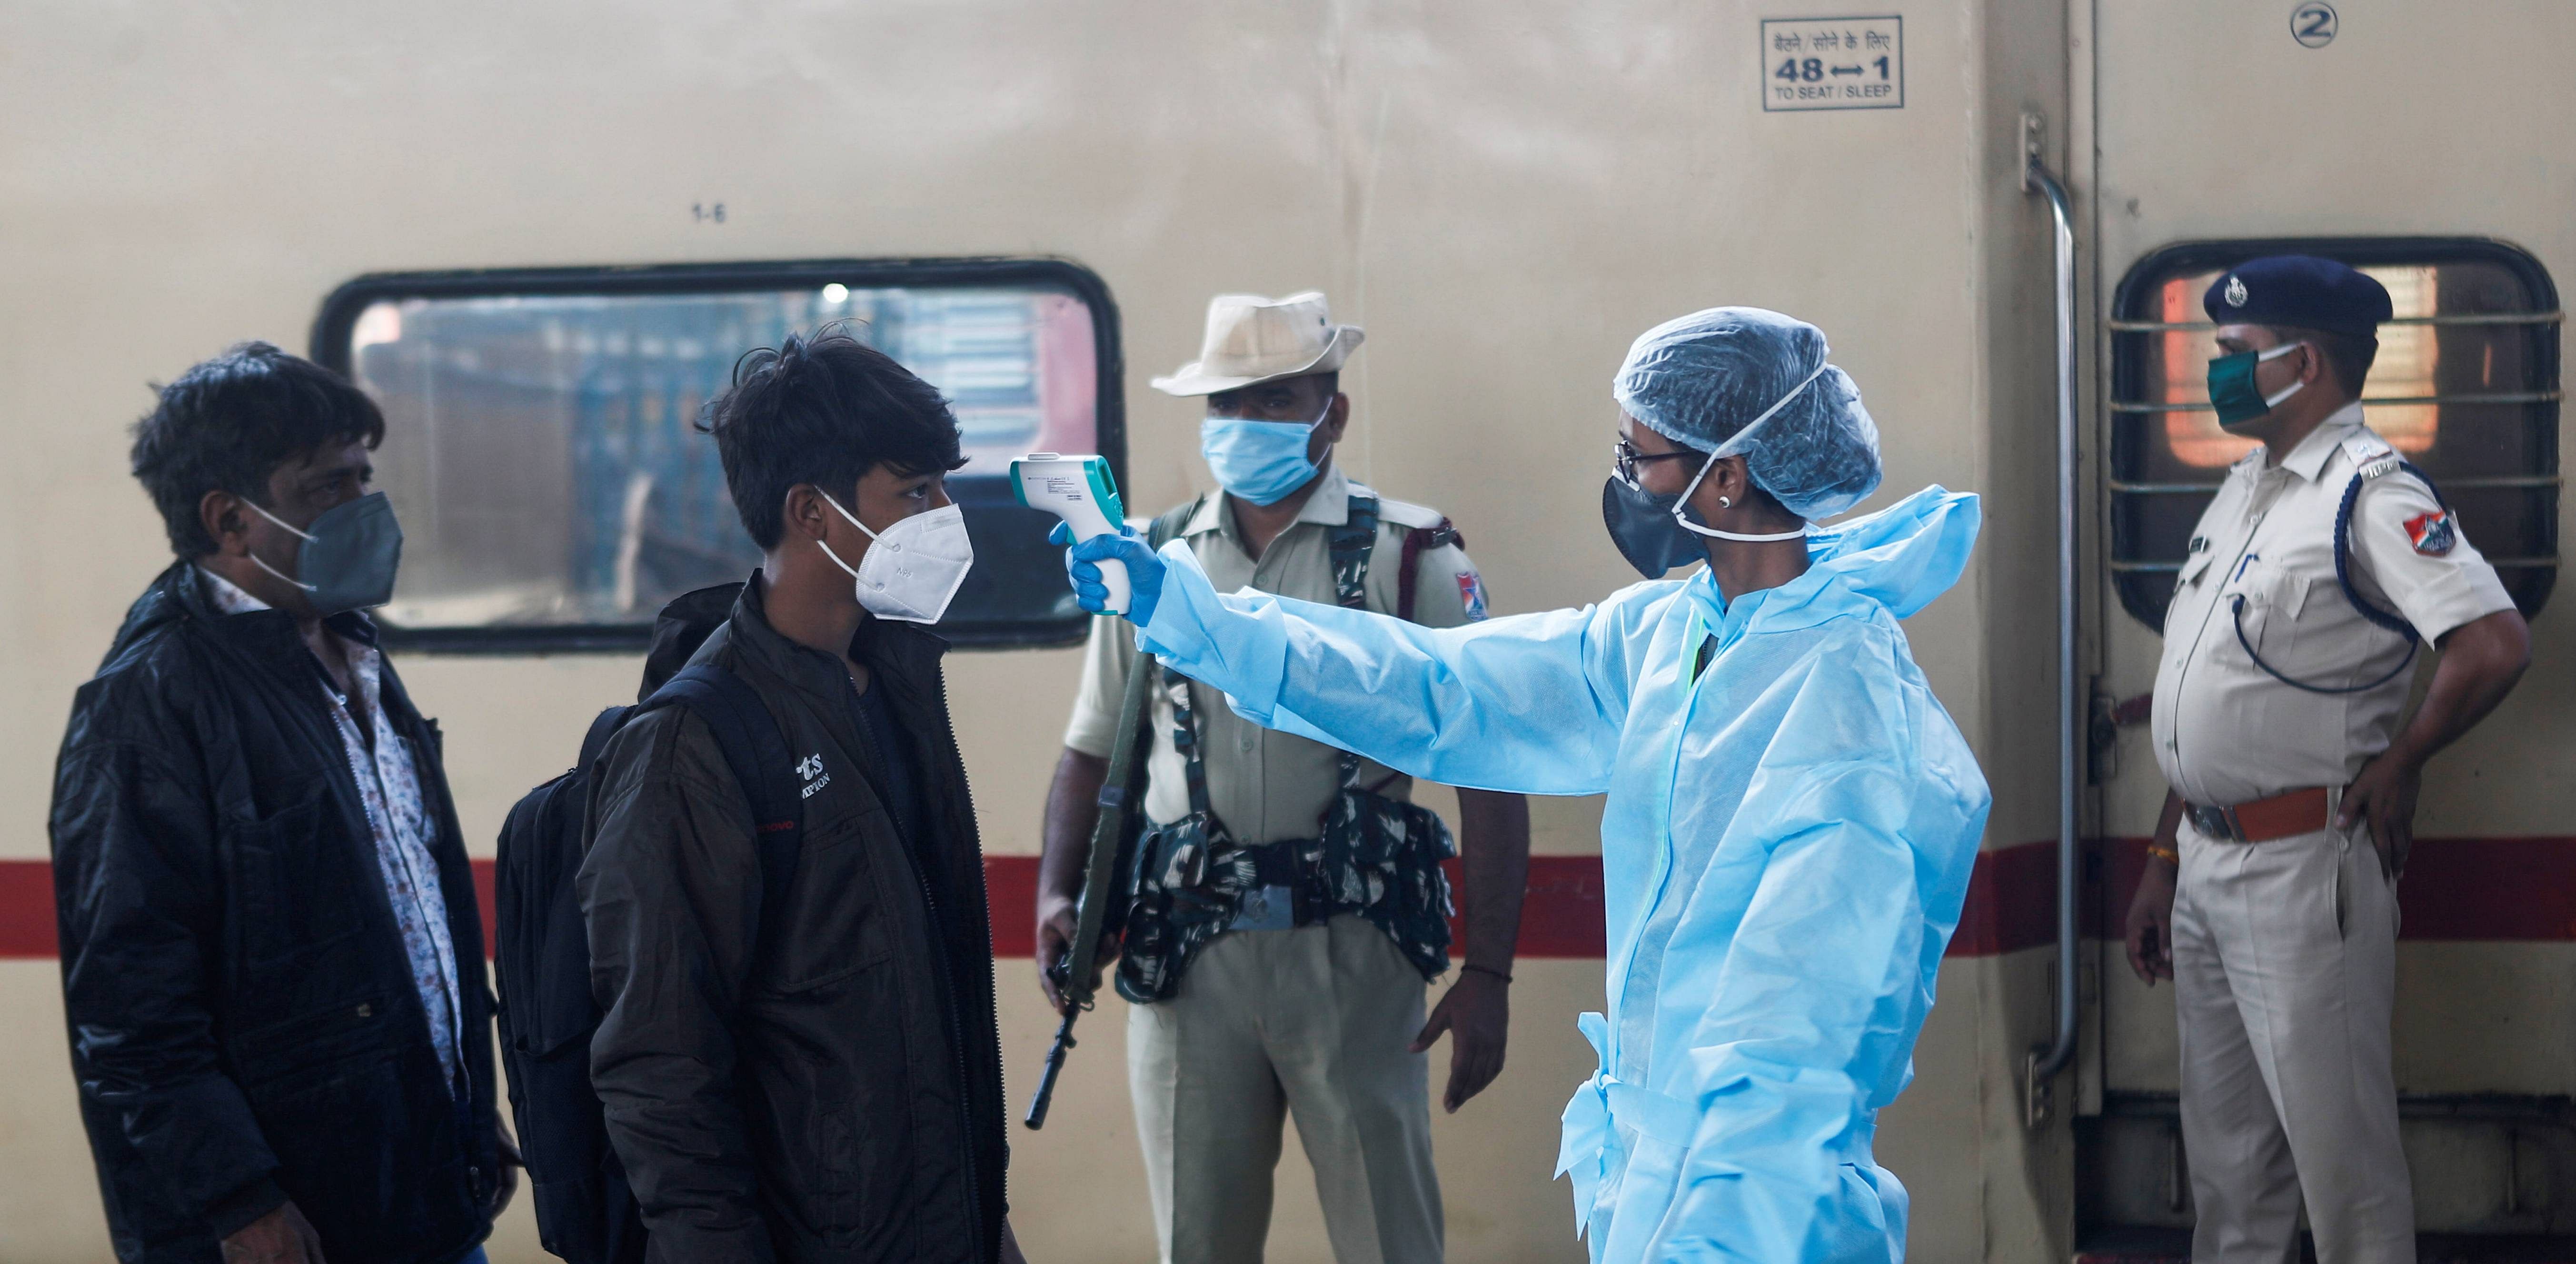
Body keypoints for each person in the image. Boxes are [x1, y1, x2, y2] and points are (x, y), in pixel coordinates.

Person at [1060, 307, 1991, 1263]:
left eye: (1642, 457)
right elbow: (1438, 685)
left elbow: (1788, 1052)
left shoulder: (1849, 707)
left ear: (1729, 474)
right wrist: (1188, 608)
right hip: (1661, 1183)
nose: (1624, 479)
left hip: (1763, 1212)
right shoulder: (1676, 634)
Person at [1035, 291, 1533, 1264]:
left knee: (1391, 1240)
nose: (1244, 424)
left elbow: (1490, 767)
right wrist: (1060, 893)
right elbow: (1093, 748)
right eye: (1227, 403)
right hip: (1190, 961)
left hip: (1354, 950)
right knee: (1198, 1240)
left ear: (1331, 414)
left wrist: (1490, 973)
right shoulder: (1151, 560)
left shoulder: (1410, 557)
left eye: (1275, 399)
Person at [50, 343, 511, 1264]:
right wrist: (237, 1201)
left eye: (363, 478)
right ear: (231, 520)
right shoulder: (149, 706)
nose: (363, 508)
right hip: (291, 1217)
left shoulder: (350, 651)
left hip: (415, 1177)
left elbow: (413, 919)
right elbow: (131, 1008)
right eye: (325, 488)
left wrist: (465, 1107)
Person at [577, 326, 1027, 1264]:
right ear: (812, 513)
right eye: (914, 491)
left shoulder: (893, 685)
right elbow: (661, 1065)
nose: (946, 511)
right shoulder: (696, 744)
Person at [2120, 257, 2532, 1264]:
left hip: (2306, 865)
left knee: (2341, 1168)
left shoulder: (2370, 496)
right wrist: (2164, 856)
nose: (2216, 375)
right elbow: (2216, 699)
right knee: (2230, 1169)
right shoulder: (2246, 495)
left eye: (2234, 355)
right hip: (2208, 865)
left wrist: (2405, 758)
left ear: (2302, 363)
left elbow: (2492, 641)